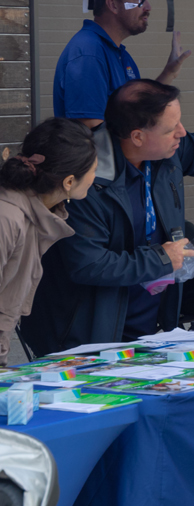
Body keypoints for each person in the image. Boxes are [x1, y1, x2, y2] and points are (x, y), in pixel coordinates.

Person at [24, 80, 194, 355]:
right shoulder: (86, 180)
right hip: (88, 335)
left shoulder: (169, 153)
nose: (182, 132)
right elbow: (87, 264)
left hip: (151, 328)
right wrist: (162, 258)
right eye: (171, 128)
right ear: (137, 137)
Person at [0, 119, 97, 364]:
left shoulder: (37, 212)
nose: (96, 178)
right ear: (68, 182)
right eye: (94, 170)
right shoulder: (7, 218)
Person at [53, 0, 191, 128]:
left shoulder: (119, 54)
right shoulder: (88, 53)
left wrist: (169, 73)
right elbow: (91, 132)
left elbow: (136, 111)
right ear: (113, 5)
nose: (148, 7)